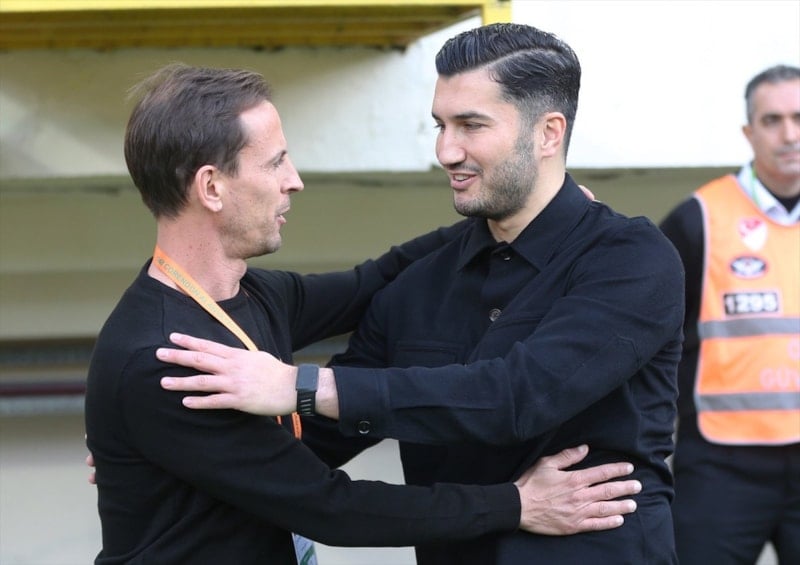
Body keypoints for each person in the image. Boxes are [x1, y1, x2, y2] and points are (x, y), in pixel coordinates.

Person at [158, 23, 685, 564]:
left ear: (548, 134)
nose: (446, 151)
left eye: (470, 125)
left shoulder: (631, 261)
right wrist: (173, 445)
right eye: (440, 125)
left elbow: (517, 397)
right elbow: (314, 443)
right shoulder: (418, 284)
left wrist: (303, 384)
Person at [659, 65, 800, 564]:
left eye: (799, 118)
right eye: (773, 120)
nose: (790, 134)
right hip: (722, 462)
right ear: (749, 131)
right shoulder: (698, 218)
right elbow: (652, 334)